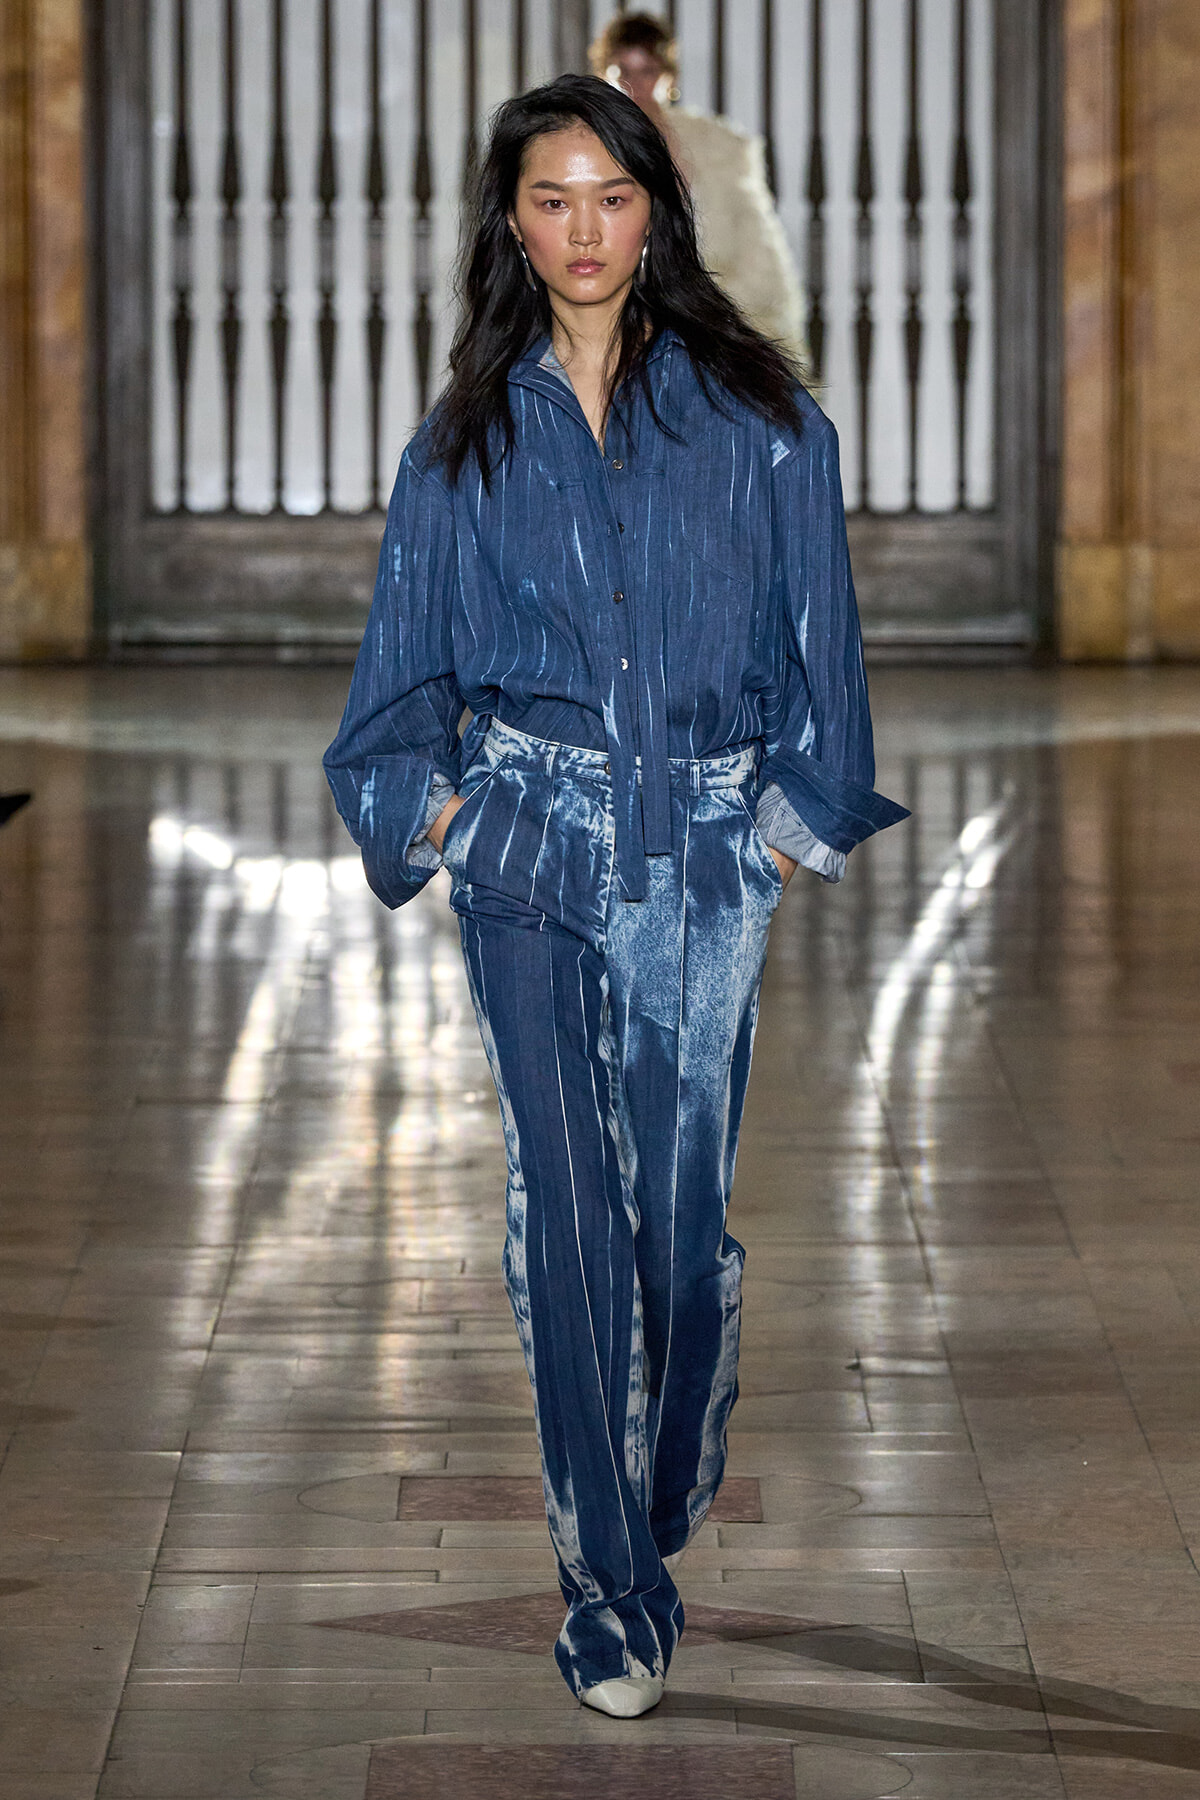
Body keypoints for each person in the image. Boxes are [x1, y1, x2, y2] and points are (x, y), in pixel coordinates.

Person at [324, 74, 906, 1719]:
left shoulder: (768, 423)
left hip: (704, 855)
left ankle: (665, 1463)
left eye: (613, 196)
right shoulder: (462, 446)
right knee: (561, 1211)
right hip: (523, 853)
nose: (584, 230)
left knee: (681, 1233)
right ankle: (606, 1588)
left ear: (661, 209)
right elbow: (391, 703)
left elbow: (828, 664)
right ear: (511, 223)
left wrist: (776, 836)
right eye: (551, 200)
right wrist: (459, 821)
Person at [590, 11, 804, 354]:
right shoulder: (585, 150)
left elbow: (757, 246)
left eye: (647, 71)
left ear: (668, 75)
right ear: (604, 75)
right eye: (622, 72)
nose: (635, 86)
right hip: (622, 324)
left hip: (714, 320)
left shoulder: (719, 148)